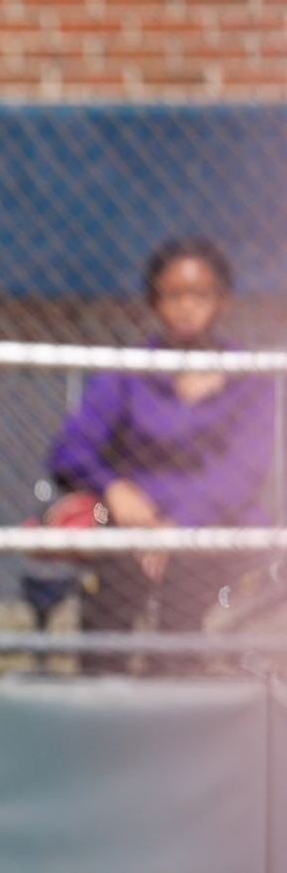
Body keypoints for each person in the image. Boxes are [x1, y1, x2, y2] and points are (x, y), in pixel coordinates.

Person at [46, 236, 278, 672]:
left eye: (199, 295)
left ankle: (180, 691)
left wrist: (178, 528)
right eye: (173, 295)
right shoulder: (128, 370)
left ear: (223, 302)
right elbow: (71, 449)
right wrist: (114, 489)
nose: (186, 307)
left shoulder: (250, 377)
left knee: (189, 592)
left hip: (217, 532)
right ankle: (100, 693)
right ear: (154, 302)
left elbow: (244, 470)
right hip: (132, 530)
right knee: (111, 569)